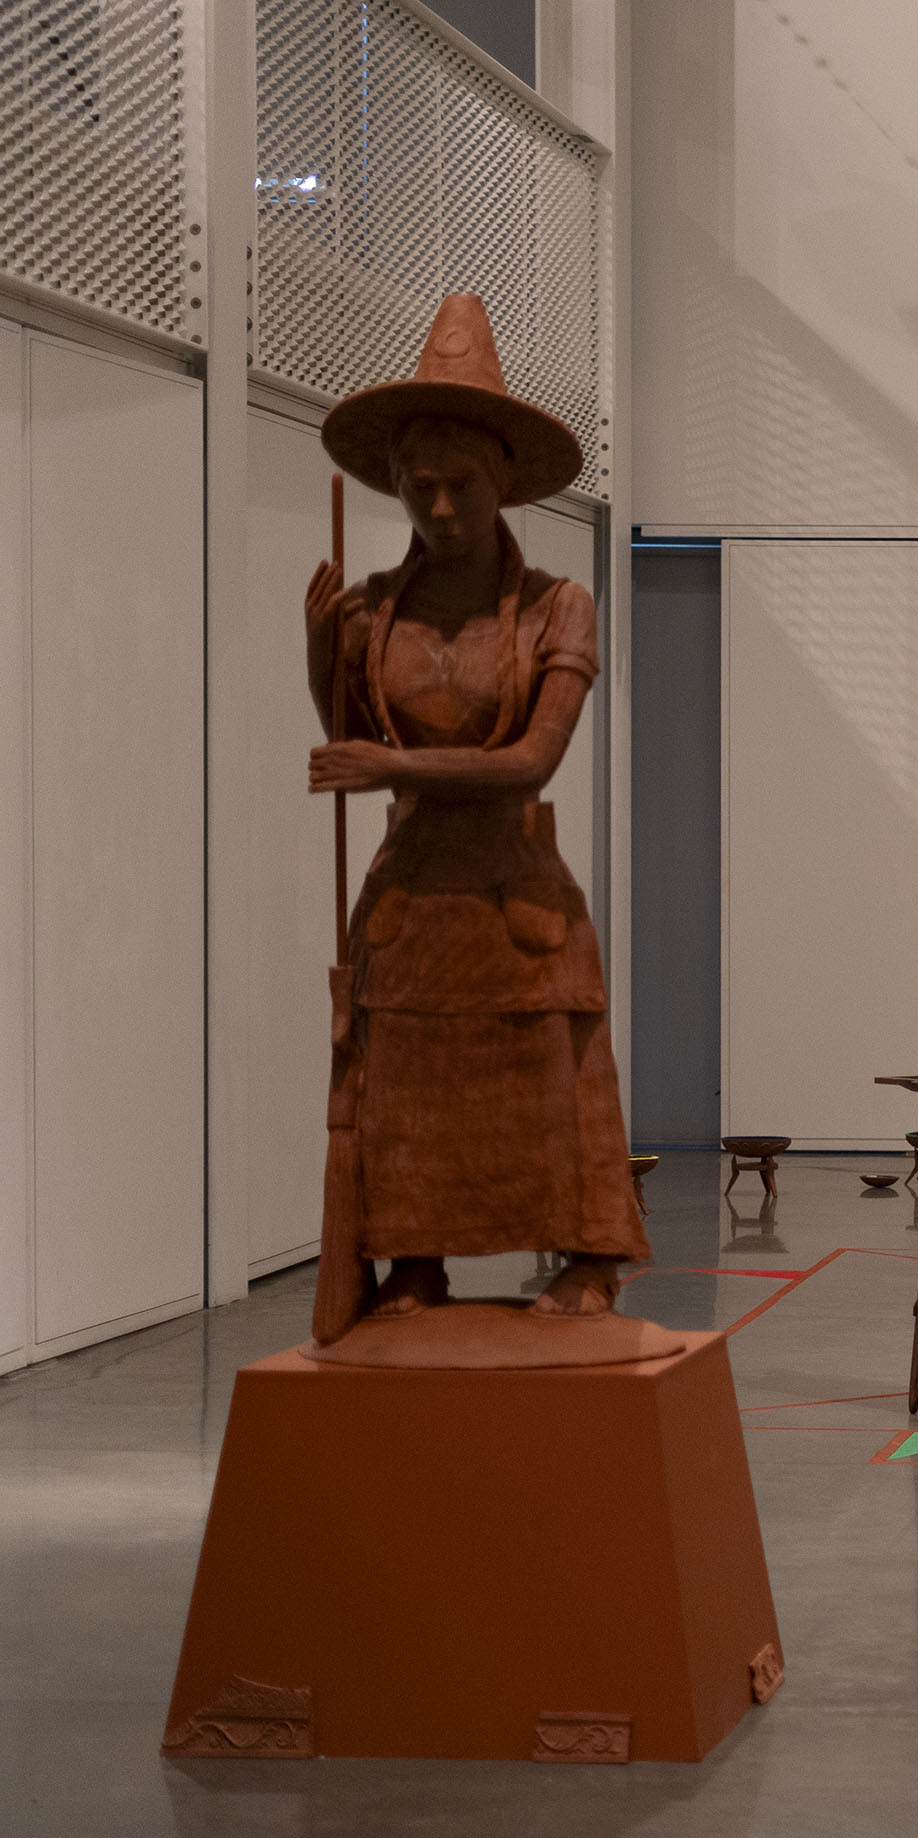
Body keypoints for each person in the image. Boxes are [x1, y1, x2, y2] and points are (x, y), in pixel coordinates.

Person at [305, 295, 645, 1338]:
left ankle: (591, 1254)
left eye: (460, 484)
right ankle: (415, 1258)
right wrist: (322, 657)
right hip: (410, 892)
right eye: (420, 484)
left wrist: (386, 762)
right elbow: (352, 745)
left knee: (552, 1071)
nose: (440, 505)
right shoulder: (373, 611)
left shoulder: (557, 608)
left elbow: (533, 758)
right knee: (404, 1078)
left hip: (513, 891)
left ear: (503, 481)